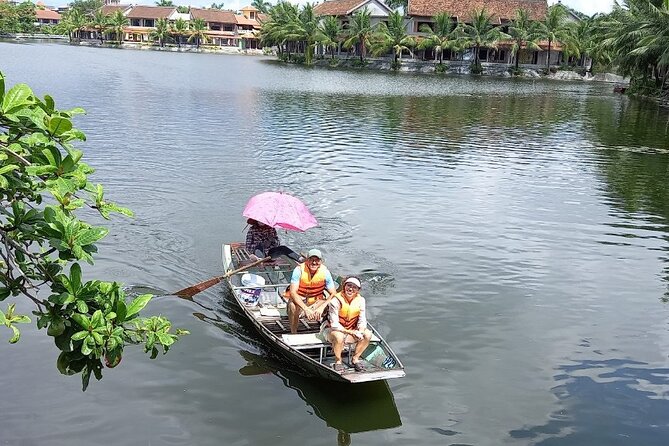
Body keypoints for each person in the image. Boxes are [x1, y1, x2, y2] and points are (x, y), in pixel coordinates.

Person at [321, 276, 372, 373]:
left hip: (351, 329)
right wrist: (351, 332)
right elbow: (334, 324)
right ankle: (338, 361)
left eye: (354, 287)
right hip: (332, 330)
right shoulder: (335, 301)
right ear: (344, 286)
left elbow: (362, 320)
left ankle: (355, 359)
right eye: (349, 285)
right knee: (339, 336)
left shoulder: (361, 300)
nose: (351, 289)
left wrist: (360, 332)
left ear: (358, 290)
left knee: (368, 334)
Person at [286, 249, 337, 334]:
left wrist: (322, 307)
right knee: (292, 306)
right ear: (307, 260)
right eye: (311, 259)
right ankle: (293, 332)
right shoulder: (298, 270)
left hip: (317, 303)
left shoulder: (325, 272)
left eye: (317, 260)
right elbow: (293, 292)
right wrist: (306, 309)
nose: (314, 263)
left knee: (333, 303)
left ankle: (329, 332)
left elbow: (334, 293)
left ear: (321, 262)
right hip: (301, 302)